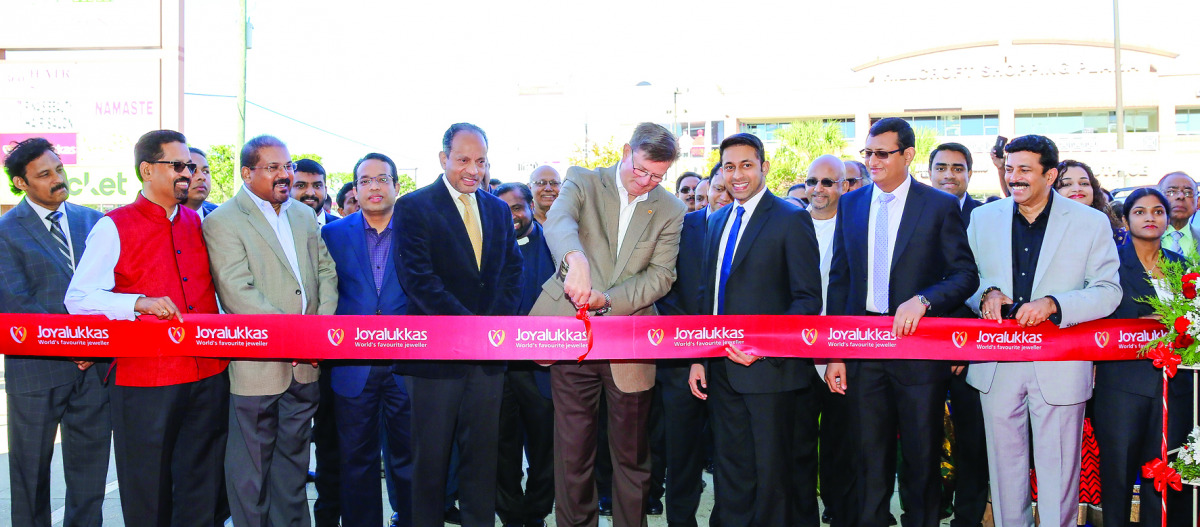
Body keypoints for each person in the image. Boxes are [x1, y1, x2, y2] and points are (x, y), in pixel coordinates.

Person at [65, 129, 230, 527]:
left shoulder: (200, 223)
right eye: (177, 165)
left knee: (202, 484)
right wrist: (136, 302)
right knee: (147, 488)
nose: (187, 174)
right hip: (145, 380)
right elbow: (79, 298)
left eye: (189, 165)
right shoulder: (113, 226)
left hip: (208, 373)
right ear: (146, 170)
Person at [824, 117, 979, 527]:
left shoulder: (939, 206)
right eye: (868, 153)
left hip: (918, 350)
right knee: (868, 456)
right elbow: (840, 280)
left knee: (921, 455)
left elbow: (965, 275)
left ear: (907, 155)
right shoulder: (852, 203)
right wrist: (835, 354)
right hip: (862, 347)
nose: (872, 161)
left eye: (882, 153)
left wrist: (925, 300)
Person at [530, 122, 686, 527]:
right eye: (641, 170)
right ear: (625, 151)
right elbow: (559, 222)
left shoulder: (670, 209)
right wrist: (574, 260)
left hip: (630, 342)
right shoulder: (583, 181)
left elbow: (661, 276)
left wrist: (610, 301)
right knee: (573, 454)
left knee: (632, 457)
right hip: (570, 336)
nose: (645, 182)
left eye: (657, 176)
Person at [966, 134, 1121, 527]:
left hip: (1061, 361)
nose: (1013, 177)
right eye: (1009, 168)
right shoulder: (983, 218)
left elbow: (1108, 291)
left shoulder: (1090, 222)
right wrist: (985, 294)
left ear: (1050, 175)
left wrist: (1055, 304)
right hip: (996, 362)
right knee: (1003, 474)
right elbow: (965, 279)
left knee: (1058, 474)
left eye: (1024, 170)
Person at [203, 134, 339, 527]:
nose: (285, 175)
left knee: (294, 467)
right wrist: (295, 338)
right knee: (251, 475)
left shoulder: (302, 215)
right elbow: (237, 293)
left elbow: (325, 273)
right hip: (257, 368)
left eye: (288, 166)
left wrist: (319, 331)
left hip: (306, 365)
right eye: (273, 167)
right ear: (247, 173)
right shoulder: (223, 221)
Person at [687, 132, 822, 526]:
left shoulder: (791, 218)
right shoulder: (716, 221)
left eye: (746, 165)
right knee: (731, 473)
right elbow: (705, 296)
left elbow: (807, 300)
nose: (737, 175)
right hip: (720, 369)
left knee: (771, 477)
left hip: (771, 373)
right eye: (729, 166)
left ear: (764, 167)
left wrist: (764, 346)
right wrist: (699, 358)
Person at [393, 123, 523, 527]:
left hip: (488, 361)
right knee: (430, 464)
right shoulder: (414, 206)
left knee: (482, 461)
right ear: (443, 158)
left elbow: (511, 274)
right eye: (464, 159)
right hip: (435, 361)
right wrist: (471, 330)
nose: (474, 169)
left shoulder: (498, 209)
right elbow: (418, 280)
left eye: (481, 161)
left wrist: (491, 330)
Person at [0, 138, 110, 527]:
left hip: (95, 370)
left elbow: (110, 288)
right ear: (20, 183)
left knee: (90, 473)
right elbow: (17, 302)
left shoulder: (93, 222)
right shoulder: (5, 231)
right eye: (44, 174)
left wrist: (91, 345)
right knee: (30, 474)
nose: (57, 179)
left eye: (59, 169)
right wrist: (71, 345)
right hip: (36, 370)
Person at [321, 152, 413, 527]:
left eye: (382, 179)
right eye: (365, 181)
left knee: (409, 457)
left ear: (396, 185)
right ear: (355, 189)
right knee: (355, 460)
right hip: (351, 367)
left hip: (407, 366)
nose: (374, 187)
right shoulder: (332, 234)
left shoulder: (418, 230)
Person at [1094, 187, 1192, 527]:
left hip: (1174, 388)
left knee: (1164, 475)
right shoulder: (1109, 265)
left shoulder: (1182, 267)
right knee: (1118, 473)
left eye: (1157, 211)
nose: (1150, 217)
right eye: (1140, 211)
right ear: (1125, 219)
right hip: (1121, 386)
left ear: (1167, 219)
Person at [927, 142, 989, 527]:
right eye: (941, 167)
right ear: (928, 171)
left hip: (973, 342)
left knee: (972, 437)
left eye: (958, 168)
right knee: (922, 435)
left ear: (970, 173)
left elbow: (983, 279)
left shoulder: (987, 215)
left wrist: (964, 344)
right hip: (920, 341)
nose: (949, 174)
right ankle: (929, 509)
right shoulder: (913, 209)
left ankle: (968, 516)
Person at [793, 154, 854, 527]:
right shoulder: (788, 224)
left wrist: (839, 350)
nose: (818, 189)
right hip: (796, 353)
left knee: (841, 444)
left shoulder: (857, 228)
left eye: (828, 182)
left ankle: (839, 511)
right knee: (798, 445)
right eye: (813, 181)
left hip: (842, 353)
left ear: (844, 187)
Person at [492, 182, 557, 527]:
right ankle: (512, 514)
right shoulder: (489, 246)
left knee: (545, 445)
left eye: (517, 207)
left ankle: (536, 511)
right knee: (502, 446)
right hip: (500, 366)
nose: (512, 216)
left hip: (542, 366)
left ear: (531, 206)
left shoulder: (555, 245)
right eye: (503, 210)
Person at [1054, 160, 1126, 244]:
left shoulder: (1116, 236)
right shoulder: (1044, 231)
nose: (1077, 189)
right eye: (1067, 184)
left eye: (1084, 183)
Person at [292, 158, 339, 227]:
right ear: (288, 189)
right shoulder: (278, 227)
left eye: (317, 186)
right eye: (301, 186)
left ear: (325, 191)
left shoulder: (342, 229)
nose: (310, 193)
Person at [1157, 171, 1195, 255]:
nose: (1180, 196)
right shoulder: (1141, 239)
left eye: (1188, 193)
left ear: (1197, 201)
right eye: (1171, 192)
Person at [185, 146, 218, 219]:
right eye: (192, 170)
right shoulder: (159, 221)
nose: (202, 177)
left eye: (205, 171)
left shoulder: (220, 217)